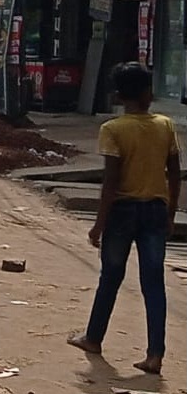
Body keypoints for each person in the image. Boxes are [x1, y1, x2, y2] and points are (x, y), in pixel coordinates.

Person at [68, 62, 181, 375]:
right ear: (150, 93)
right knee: (153, 283)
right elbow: (174, 174)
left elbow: (111, 183)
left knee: (111, 277)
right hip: (156, 210)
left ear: (118, 96)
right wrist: (170, 212)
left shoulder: (113, 129)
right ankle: (155, 354)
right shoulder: (166, 125)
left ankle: (93, 337)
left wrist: (98, 224)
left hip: (122, 213)